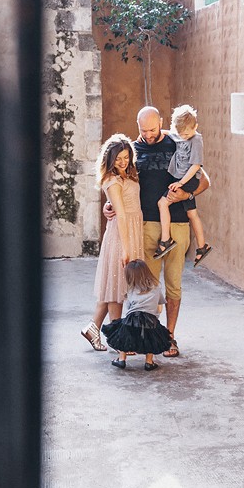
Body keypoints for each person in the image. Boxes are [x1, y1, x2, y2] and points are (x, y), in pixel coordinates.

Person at [105, 106, 209, 358]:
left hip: (178, 224)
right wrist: (110, 205)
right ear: (137, 126)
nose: (149, 135)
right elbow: (120, 184)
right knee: (144, 287)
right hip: (146, 226)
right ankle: (142, 338)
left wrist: (188, 193)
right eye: (144, 130)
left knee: (174, 285)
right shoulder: (132, 151)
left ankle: (170, 338)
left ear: (161, 123)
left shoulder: (177, 142)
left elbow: (205, 180)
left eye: (153, 129)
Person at [81, 133, 145, 352]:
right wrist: (127, 249)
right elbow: (122, 214)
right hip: (121, 235)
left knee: (114, 286)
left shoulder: (128, 175)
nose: (122, 162)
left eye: (126, 157)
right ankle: (119, 343)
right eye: (118, 158)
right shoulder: (111, 180)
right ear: (109, 159)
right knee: (117, 289)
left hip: (132, 233)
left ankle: (93, 328)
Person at [154, 104, 212, 268]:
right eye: (180, 134)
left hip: (189, 179)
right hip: (182, 178)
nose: (183, 137)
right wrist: (157, 133)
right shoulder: (180, 133)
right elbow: (169, 133)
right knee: (192, 213)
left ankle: (166, 240)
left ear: (195, 127)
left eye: (187, 133)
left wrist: (181, 183)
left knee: (162, 203)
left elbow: (196, 165)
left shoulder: (196, 139)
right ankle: (202, 247)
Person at [100, 259, 172, 371]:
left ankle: (121, 359)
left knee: (124, 337)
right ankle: (149, 362)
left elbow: (129, 307)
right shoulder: (156, 287)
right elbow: (159, 303)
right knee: (151, 338)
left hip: (132, 319)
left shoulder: (131, 289)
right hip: (150, 319)